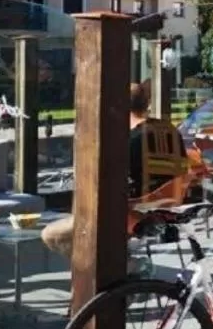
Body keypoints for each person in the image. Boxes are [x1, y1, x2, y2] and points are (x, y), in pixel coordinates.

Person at [42, 81, 153, 260]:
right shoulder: (168, 131)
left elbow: (108, 179)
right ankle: (119, 260)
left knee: (49, 234)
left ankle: (106, 267)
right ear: (147, 102)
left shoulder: (129, 139)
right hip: (163, 210)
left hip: (125, 212)